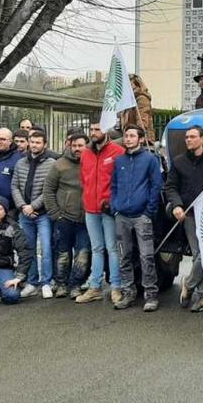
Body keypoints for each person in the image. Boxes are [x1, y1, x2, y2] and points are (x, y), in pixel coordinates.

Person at [165, 125, 203, 312]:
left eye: (192, 137)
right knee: (199, 253)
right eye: (186, 137)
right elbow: (171, 187)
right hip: (190, 215)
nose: (188, 140)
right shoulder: (179, 162)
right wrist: (176, 205)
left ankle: (189, 284)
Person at [111, 125, 163, 311]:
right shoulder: (119, 161)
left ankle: (151, 295)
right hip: (122, 216)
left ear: (140, 139)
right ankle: (128, 293)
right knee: (124, 256)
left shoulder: (150, 159)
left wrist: (148, 212)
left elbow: (156, 186)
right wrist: (115, 207)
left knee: (146, 257)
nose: (128, 139)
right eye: (126, 136)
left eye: (132, 136)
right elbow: (114, 185)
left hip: (142, 217)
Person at [76, 121, 125, 304]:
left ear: (106, 131)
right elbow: (84, 178)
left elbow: (122, 181)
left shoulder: (117, 152)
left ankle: (116, 287)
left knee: (112, 249)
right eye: (92, 129)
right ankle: (95, 287)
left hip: (109, 210)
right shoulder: (86, 153)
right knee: (96, 248)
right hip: (90, 208)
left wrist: (113, 202)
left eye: (98, 129)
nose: (94, 132)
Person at [43, 132, 91, 300]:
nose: (77, 149)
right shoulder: (59, 165)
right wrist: (56, 215)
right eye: (74, 146)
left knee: (83, 254)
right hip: (64, 218)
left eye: (80, 146)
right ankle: (61, 284)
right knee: (62, 254)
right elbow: (48, 190)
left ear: (87, 146)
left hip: (86, 219)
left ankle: (76, 285)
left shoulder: (92, 162)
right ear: (69, 145)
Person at [11, 130, 57, 299]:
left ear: (44, 144)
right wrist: (23, 206)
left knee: (45, 248)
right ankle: (32, 282)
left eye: (38, 142)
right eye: (32, 142)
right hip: (25, 214)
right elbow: (14, 186)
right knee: (27, 248)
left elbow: (49, 189)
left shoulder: (51, 163)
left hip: (43, 214)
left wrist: (34, 206)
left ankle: (46, 282)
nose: (34, 145)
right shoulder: (20, 163)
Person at [120, 74, 156, 143]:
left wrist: (133, 135)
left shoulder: (142, 99)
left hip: (140, 136)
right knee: (105, 135)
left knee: (110, 146)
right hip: (126, 133)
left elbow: (142, 123)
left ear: (138, 85)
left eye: (130, 85)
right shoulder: (127, 100)